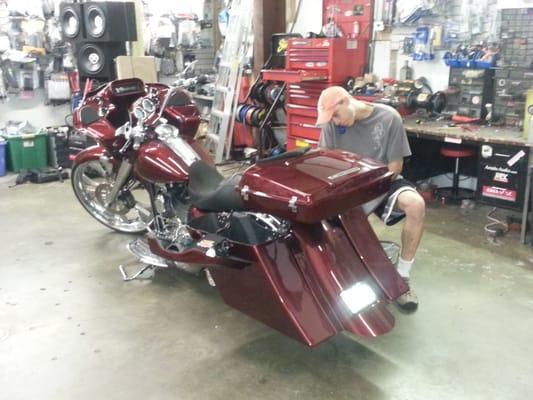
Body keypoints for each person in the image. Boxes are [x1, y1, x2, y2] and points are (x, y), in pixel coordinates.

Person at [316, 86, 425, 311]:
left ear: (346, 101)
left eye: (336, 115)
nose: (334, 122)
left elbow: (395, 167)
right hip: (346, 186)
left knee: (416, 205)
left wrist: (368, 196)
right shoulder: (331, 127)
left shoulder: (389, 118)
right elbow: (325, 164)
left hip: (384, 181)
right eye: (330, 118)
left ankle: (402, 278)